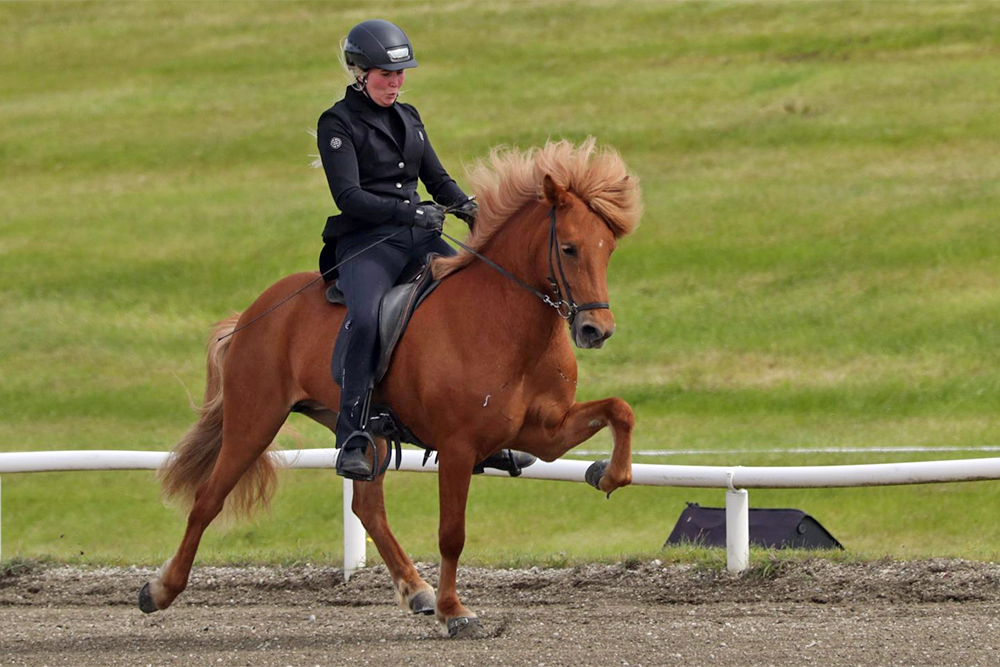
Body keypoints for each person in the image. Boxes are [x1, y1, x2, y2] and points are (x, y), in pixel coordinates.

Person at [316, 19, 478, 480]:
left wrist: (469, 208)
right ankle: (351, 435)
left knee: (475, 295)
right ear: (360, 73)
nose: (396, 83)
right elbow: (348, 197)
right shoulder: (337, 123)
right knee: (367, 317)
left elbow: (437, 179)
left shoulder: (409, 117)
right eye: (387, 75)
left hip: (418, 238)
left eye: (401, 74)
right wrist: (408, 214)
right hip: (366, 243)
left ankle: (481, 427)